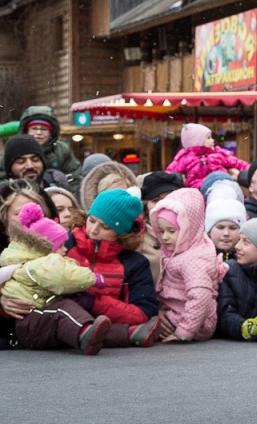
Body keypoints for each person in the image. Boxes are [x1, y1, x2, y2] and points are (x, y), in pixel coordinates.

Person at [0, 202, 109, 354]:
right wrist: (92, 278)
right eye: (61, 245)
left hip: (40, 318)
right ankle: (86, 333)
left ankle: (129, 334)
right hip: (32, 320)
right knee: (63, 309)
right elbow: (62, 278)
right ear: (45, 248)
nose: (66, 249)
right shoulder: (40, 265)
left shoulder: (33, 262)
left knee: (80, 316)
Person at [63, 188, 161, 347]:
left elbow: (144, 313)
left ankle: (92, 333)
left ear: (120, 233)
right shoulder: (66, 244)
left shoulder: (135, 263)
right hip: (60, 317)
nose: (93, 230)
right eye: (92, 220)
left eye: (105, 227)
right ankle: (126, 336)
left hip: (103, 323)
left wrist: (95, 303)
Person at [151, 188, 229, 343]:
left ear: (189, 228)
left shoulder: (195, 259)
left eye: (171, 231)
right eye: (161, 231)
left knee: (143, 324)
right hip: (176, 311)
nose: (165, 237)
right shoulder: (179, 249)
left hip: (195, 323)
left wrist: (184, 332)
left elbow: (200, 297)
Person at [165, 123, 248, 190]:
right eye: (208, 138)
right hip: (196, 192)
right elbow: (170, 173)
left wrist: (250, 170)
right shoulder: (185, 158)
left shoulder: (217, 153)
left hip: (221, 187)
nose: (213, 140)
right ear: (196, 141)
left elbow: (237, 162)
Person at [18, 106, 83, 190]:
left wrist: (69, 199)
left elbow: (75, 178)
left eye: (44, 129)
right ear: (26, 131)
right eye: (34, 128)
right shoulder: (16, 149)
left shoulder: (62, 150)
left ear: (51, 133)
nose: (38, 133)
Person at [3, 134, 71, 193]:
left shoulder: (60, 192)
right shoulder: (3, 200)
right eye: (21, 162)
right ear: (10, 170)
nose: (30, 166)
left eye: (35, 160)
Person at [206, 197, 247, 261]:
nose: (226, 233)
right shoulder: (200, 258)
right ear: (209, 231)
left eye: (233, 228)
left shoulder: (250, 259)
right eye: (220, 227)